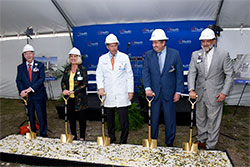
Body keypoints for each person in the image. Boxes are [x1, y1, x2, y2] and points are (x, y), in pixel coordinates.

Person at [188, 28, 233, 149]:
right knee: (200, 118)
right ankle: (202, 139)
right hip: (199, 93)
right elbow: (192, 73)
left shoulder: (223, 54)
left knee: (213, 120)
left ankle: (211, 145)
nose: (205, 44)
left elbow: (229, 75)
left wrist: (224, 92)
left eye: (208, 41)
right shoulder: (195, 55)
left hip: (216, 94)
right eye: (203, 41)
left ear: (214, 41)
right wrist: (191, 89)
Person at [142, 29, 184, 147]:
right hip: (154, 94)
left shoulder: (174, 54)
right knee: (153, 119)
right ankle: (153, 141)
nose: (154, 45)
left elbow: (179, 74)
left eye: (156, 43)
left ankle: (169, 142)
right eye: (153, 43)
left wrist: (178, 92)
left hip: (169, 93)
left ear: (164, 42)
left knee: (170, 119)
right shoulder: (149, 55)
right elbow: (146, 73)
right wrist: (147, 88)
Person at [96, 34, 134, 144]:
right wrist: (100, 88)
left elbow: (129, 75)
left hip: (122, 93)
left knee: (124, 121)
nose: (114, 48)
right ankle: (112, 139)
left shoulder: (124, 57)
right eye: (111, 46)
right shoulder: (102, 59)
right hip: (108, 93)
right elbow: (99, 75)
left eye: (115, 45)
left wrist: (130, 90)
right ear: (107, 47)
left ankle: (123, 141)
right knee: (110, 120)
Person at [16, 44, 48, 137]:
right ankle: (32, 132)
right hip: (28, 96)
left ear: (34, 54)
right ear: (24, 55)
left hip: (39, 95)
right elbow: (19, 80)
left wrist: (30, 89)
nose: (29, 55)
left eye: (30, 53)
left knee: (41, 115)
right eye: (26, 53)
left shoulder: (40, 65)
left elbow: (41, 79)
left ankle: (43, 133)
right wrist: (22, 91)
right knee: (30, 115)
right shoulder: (20, 67)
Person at [61, 47, 88, 141]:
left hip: (80, 99)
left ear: (79, 57)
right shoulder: (67, 69)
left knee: (82, 119)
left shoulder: (82, 69)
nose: (73, 58)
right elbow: (63, 81)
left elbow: (85, 83)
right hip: (69, 99)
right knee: (71, 119)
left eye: (75, 56)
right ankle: (73, 136)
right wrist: (64, 90)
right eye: (71, 56)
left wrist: (74, 91)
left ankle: (82, 137)